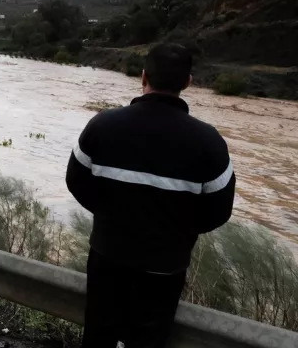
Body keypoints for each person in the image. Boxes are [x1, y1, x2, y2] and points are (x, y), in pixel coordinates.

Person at [66, 43, 235, 348]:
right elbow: (219, 210)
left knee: (98, 337)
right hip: (166, 267)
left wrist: (110, 215)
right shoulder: (209, 142)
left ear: (143, 77)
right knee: (149, 340)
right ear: (188, 83)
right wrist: (177, 230)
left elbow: (76, 182)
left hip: (107, 256)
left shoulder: (102, 125)